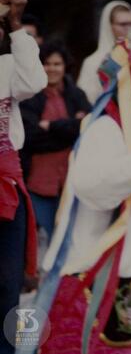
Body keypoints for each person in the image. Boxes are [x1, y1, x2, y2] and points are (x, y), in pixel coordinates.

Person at [29, 27, 131, 354]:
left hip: (118, 294)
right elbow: (92, 186)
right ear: (129, 80)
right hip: (82, 290)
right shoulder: (104, 129)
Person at [0, 0, 47, 354]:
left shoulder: (4, 69)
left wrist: (16, 27)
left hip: (7, 190)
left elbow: (34, 82)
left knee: (7, 286)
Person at [20, 40, 91, 258]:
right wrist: (70, 128)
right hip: (38, 185)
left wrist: (51, 126)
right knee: (45, 245)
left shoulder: (76, 94)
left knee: (69, 244)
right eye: (46, 63)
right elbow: (30, 138)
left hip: (71, 184)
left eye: (57, 63)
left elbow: (89, 129)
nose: (51, 69)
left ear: (65, 66)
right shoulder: (29, 96)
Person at [77, 0, 131, 105]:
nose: (129, 29)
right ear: (109, 26)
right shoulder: (92, 63)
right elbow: (86, 103)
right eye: (122, 24)